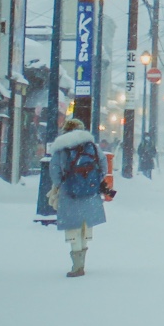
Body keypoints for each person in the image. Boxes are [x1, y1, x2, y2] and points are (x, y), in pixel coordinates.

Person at [46, 118, 112, 278]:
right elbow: (103, 168)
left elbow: (55, 172)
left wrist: (64, 185)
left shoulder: (61, 150)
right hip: (90, 195)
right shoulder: (93, 148)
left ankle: (77, 266)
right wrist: (90, 182)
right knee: (85, 228)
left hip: (69, 195)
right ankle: (82, 263)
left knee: (72, 228)